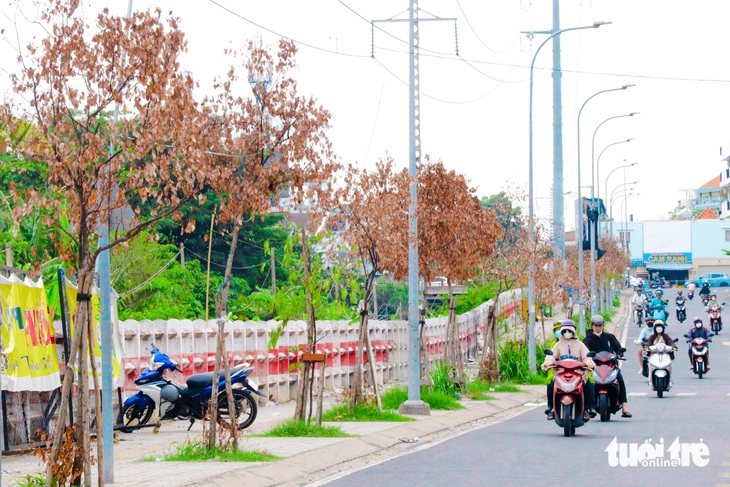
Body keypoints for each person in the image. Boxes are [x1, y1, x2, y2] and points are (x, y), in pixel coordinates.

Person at [541, 320, 596, 422]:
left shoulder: (580, 345)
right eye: (565, 330)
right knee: (551, 385)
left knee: (588, 385)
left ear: (574, 331)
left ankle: (588, 408)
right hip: (561, 373)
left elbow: (586, 357)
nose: (567, 333)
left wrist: (589, 363)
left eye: (569, 330)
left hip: (578, 374)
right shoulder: (557, 345)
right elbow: (551, 356)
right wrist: (547, 363)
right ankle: (551, 408)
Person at [582, 315, 631, 418]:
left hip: (610, 365)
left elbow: (618, 348)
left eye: (600, 325)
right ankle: (588, 407)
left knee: (620, 380)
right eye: (596, 326)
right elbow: (584, 353)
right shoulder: (587, 339)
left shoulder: (609, 337)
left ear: (603, 326)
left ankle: (624, 408)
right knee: (587, 382)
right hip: (595, 366)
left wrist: (619, 354)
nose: (598, 328)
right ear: (592, 326)